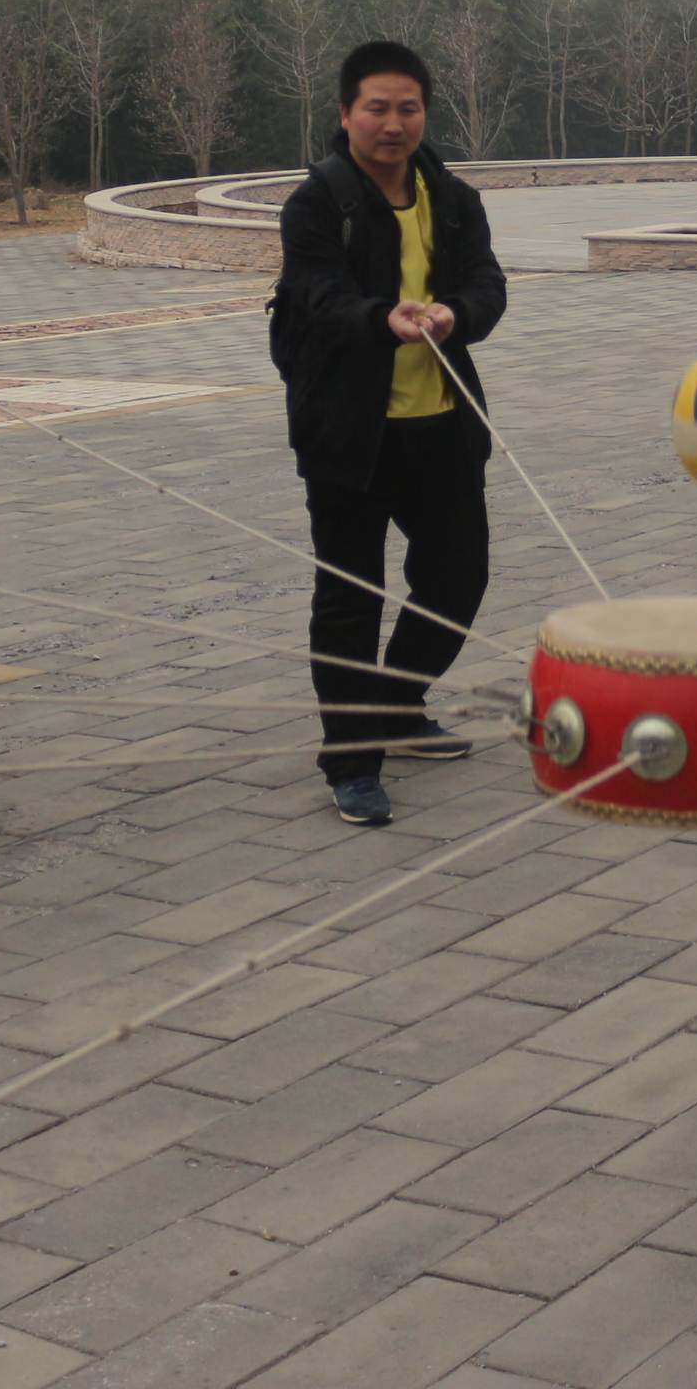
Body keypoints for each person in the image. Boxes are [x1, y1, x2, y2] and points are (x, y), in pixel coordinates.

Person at [269, 41, 505, 828]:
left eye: (408, 108)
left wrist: (453, 314)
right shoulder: (316, 204)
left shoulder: (454, 198)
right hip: (349, 436)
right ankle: (351, 760)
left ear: (424, 114)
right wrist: (383, 317)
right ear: (346, 114)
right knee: (350, 599)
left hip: (442, 425)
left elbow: (487, 285)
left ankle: (397, 706)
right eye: (377, 108)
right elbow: (318, 296)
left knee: (457, 580)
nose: (393, 124)